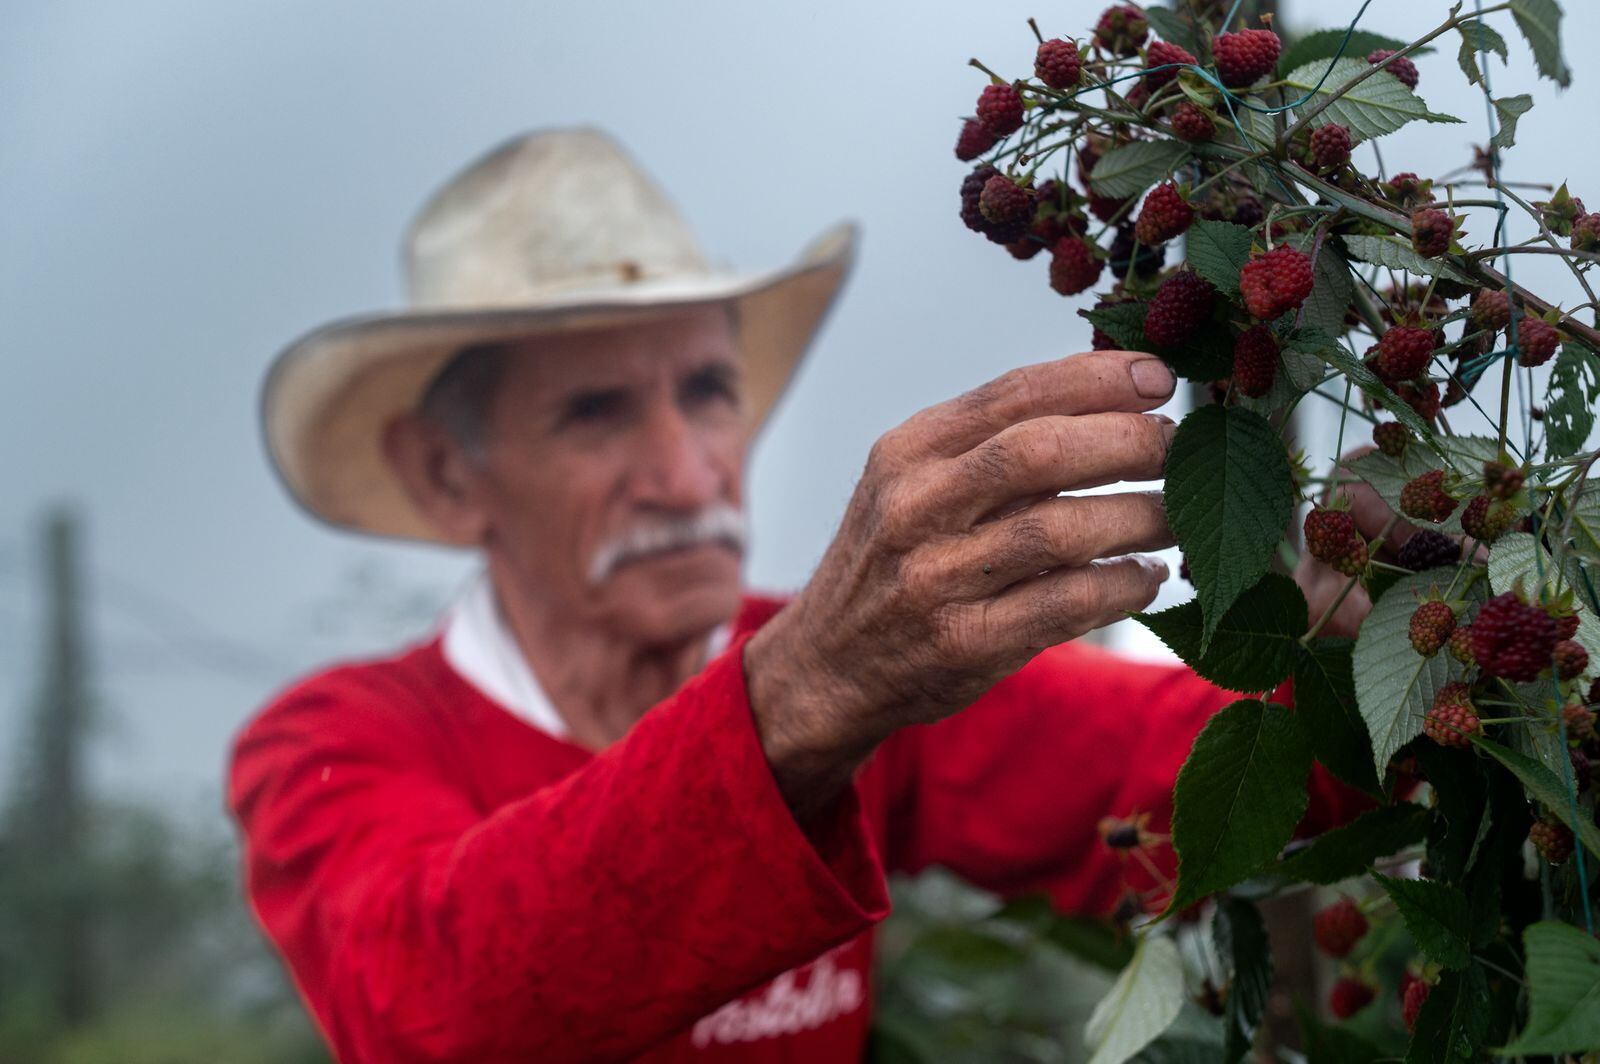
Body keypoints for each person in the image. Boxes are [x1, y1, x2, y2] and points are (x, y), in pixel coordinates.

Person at [229, 128, 1385, 1063]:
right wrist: (809, 689)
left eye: (709, 391)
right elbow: (427, 1009)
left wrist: (1369, 659)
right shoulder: (335, 741)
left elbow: (1195, 789)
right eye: (594, 412)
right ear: (447, 473)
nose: (687, 473)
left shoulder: (858, 675)